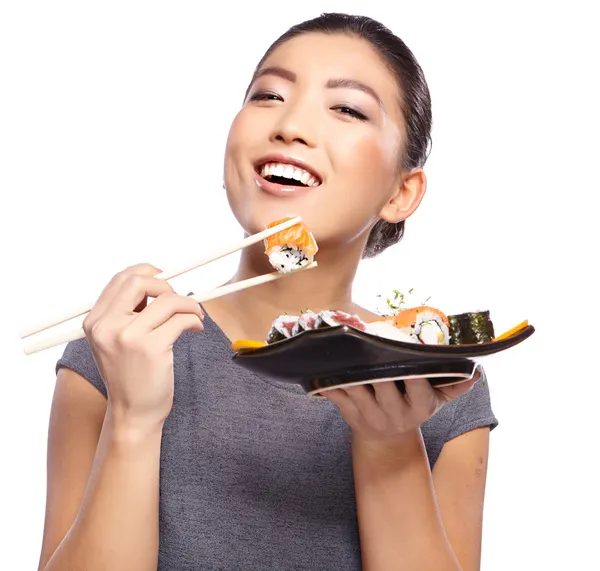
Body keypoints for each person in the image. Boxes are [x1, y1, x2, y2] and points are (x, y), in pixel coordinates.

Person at [37, 12, 498, 571]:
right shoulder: (119, 348)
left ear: (402, 192)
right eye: (268, 96)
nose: (291, 125)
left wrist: (389, 441)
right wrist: (133, 419)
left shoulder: (438, 386)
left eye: (347, 109)